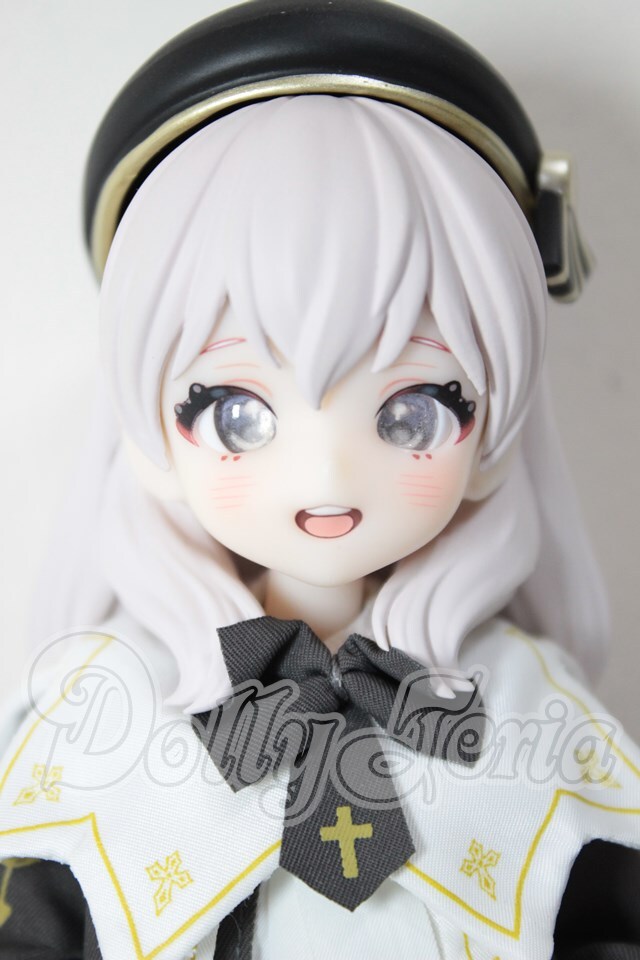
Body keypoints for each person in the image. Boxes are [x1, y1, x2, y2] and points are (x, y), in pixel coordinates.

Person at [0, 2, 639, 958]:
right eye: (236, 413)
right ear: (149, 429)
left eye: (413, 412)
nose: (326, 470)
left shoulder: (520, 703)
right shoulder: (112, 702)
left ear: (495, 427)